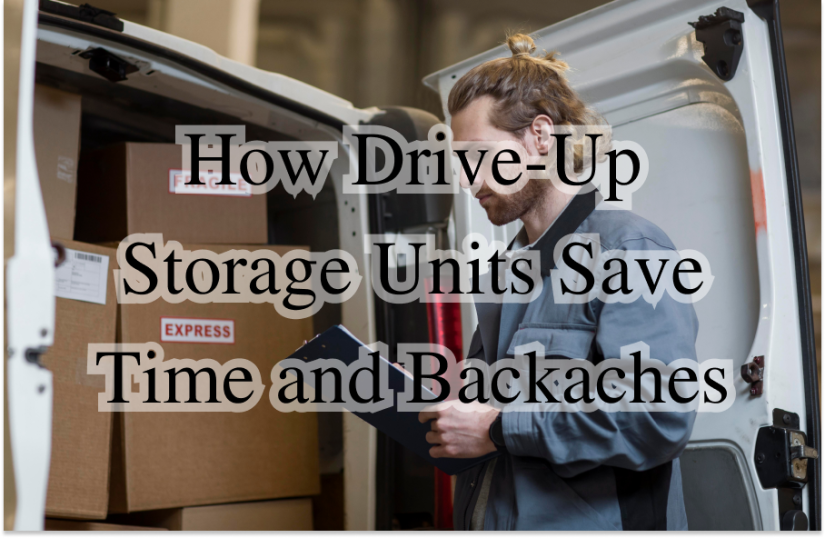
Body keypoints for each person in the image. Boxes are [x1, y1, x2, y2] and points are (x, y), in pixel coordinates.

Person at [418, 33, 698, 531]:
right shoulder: (508, 272)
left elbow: (658, 417)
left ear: (541, 136)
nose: (467, 179)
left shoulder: (627, 249)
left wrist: (500, 428)